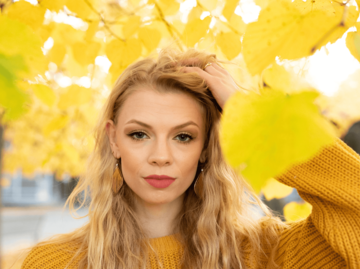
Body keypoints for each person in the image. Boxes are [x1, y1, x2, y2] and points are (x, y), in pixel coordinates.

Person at [21, 49, 360, 269]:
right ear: (114, 139)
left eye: (183, 136)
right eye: (139, 134)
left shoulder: (266, 254)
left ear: (207, 147)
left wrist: (251, 116)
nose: (160, 157)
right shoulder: (55, 262)